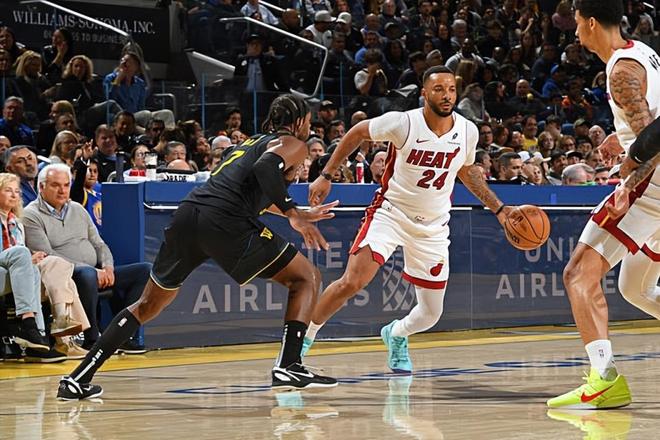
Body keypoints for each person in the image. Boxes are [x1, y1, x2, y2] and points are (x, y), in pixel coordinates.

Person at [56, 95, 339, 401]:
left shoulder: (251, 143)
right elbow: (267, 167)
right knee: (307, 277)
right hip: (225, 220)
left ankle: (78, 378)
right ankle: (289, 364)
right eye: (308, 121)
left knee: (147, 305)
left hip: (189, 215)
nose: (309, 128)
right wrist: (293, 212)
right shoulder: (291, 143)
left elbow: (251, 187)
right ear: (299, 121)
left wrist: (293, 211)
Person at [303, 66, 516, 373]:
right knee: (352, 281)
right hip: (391, 213)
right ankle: (301, 342)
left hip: (433, 226)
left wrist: (499, 208)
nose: (447, 95)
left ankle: (396, 333)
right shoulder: (403, 123)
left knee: (431, 314)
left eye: (451, 89)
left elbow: (466, 171)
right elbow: (358, 131)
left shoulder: (468, 131)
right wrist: (326, 175)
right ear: (425, 94)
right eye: (439, 89)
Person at [548, 0, 660, 410]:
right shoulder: (643, 52)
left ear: (591, 22)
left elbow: (653, 138)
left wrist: (628, 177)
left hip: (653, 186)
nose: (576, 31)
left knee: (578, 273)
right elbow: (648, 122)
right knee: (635, 288)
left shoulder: (621, 70)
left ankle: (604, 379)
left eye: (577, 23)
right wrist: (624, 137)